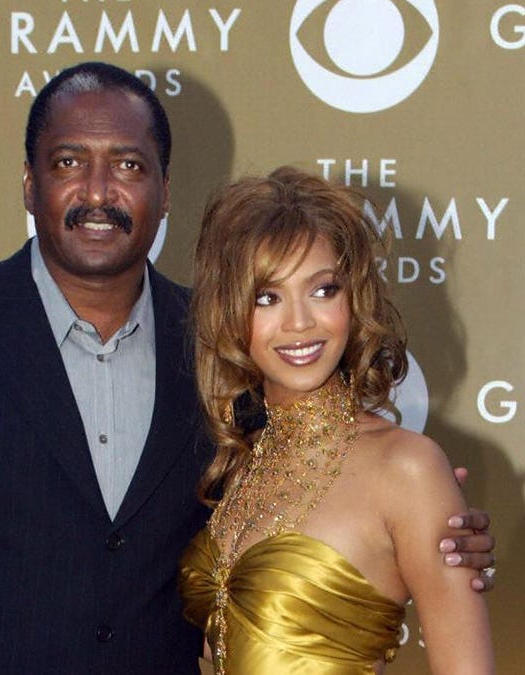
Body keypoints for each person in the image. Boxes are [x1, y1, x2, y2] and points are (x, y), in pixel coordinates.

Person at [0, 62, 493, 674]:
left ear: (166, 191)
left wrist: (437, 536)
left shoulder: (219, 351)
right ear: (28, 181)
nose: (99, 191)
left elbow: (342, 500)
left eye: (129, 165)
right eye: (70, 161)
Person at [180, 167, 494, 674]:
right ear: (230, 312)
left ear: (354, 297)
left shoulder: (407, 467)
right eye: (267, 297)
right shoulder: (243, 461)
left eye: (323, 289)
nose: (300, 321)